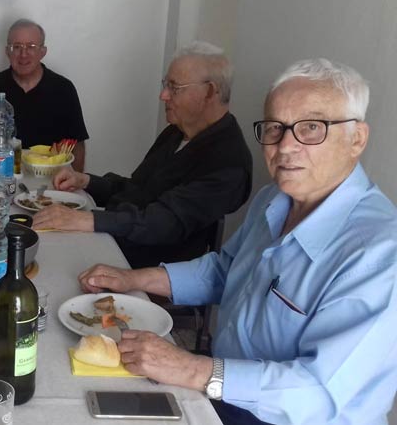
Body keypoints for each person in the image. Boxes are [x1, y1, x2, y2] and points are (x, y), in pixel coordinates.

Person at [77, 59, 397, 424]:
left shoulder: (379, 255)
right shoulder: (273, 199)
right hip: (224, 389)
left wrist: (192, 369)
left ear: (357, 139)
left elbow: (320, 391)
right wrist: (133, 278)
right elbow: (226, 270)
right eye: (275, 128)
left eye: (311, 127)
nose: (285, 146)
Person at [33, 41, 252, 269]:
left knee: (45, 261)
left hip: (147, 267)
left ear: (209, 92)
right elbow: (138, 189)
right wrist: (85, 181)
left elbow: (163, 222)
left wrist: (87, 220)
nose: (163, 95)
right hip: (118, 241)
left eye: (175, 88)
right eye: (165, 85)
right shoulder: (177, 132)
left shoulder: (229, 162)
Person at [0, 19, 90, 171]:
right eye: (16, 47)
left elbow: (77, 144)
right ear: (7, 51)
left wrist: (75, 179)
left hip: (51, 177)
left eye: (31, 47)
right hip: (0, 174)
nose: (23, 54)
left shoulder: (63, 89)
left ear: (43, 52)